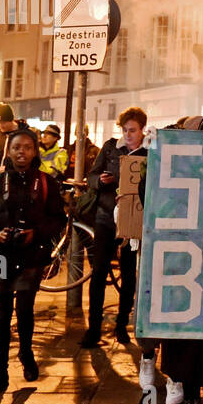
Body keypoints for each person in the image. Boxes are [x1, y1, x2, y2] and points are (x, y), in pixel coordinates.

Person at [0, 128, 65, 396]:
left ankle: (26, 352)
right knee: (2, 315)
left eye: (26, 147)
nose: (21, 152)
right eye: (15, 147)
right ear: (8, 152)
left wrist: (37, 233)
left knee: (25, 309)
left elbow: (59, 219)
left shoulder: (46, 183)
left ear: (34, 151)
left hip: (31, 253)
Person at [82, 107, 147, 347]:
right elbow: (91, 176)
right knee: (98, 273)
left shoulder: (148, 153)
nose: (128, 135)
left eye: (132, 130)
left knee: (129, 275)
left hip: (132, 221)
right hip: (106, 218)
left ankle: (121, 326)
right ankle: (94, 329)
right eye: (125, 130)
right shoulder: (110, 147)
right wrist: (99, 181)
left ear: (142, 131)